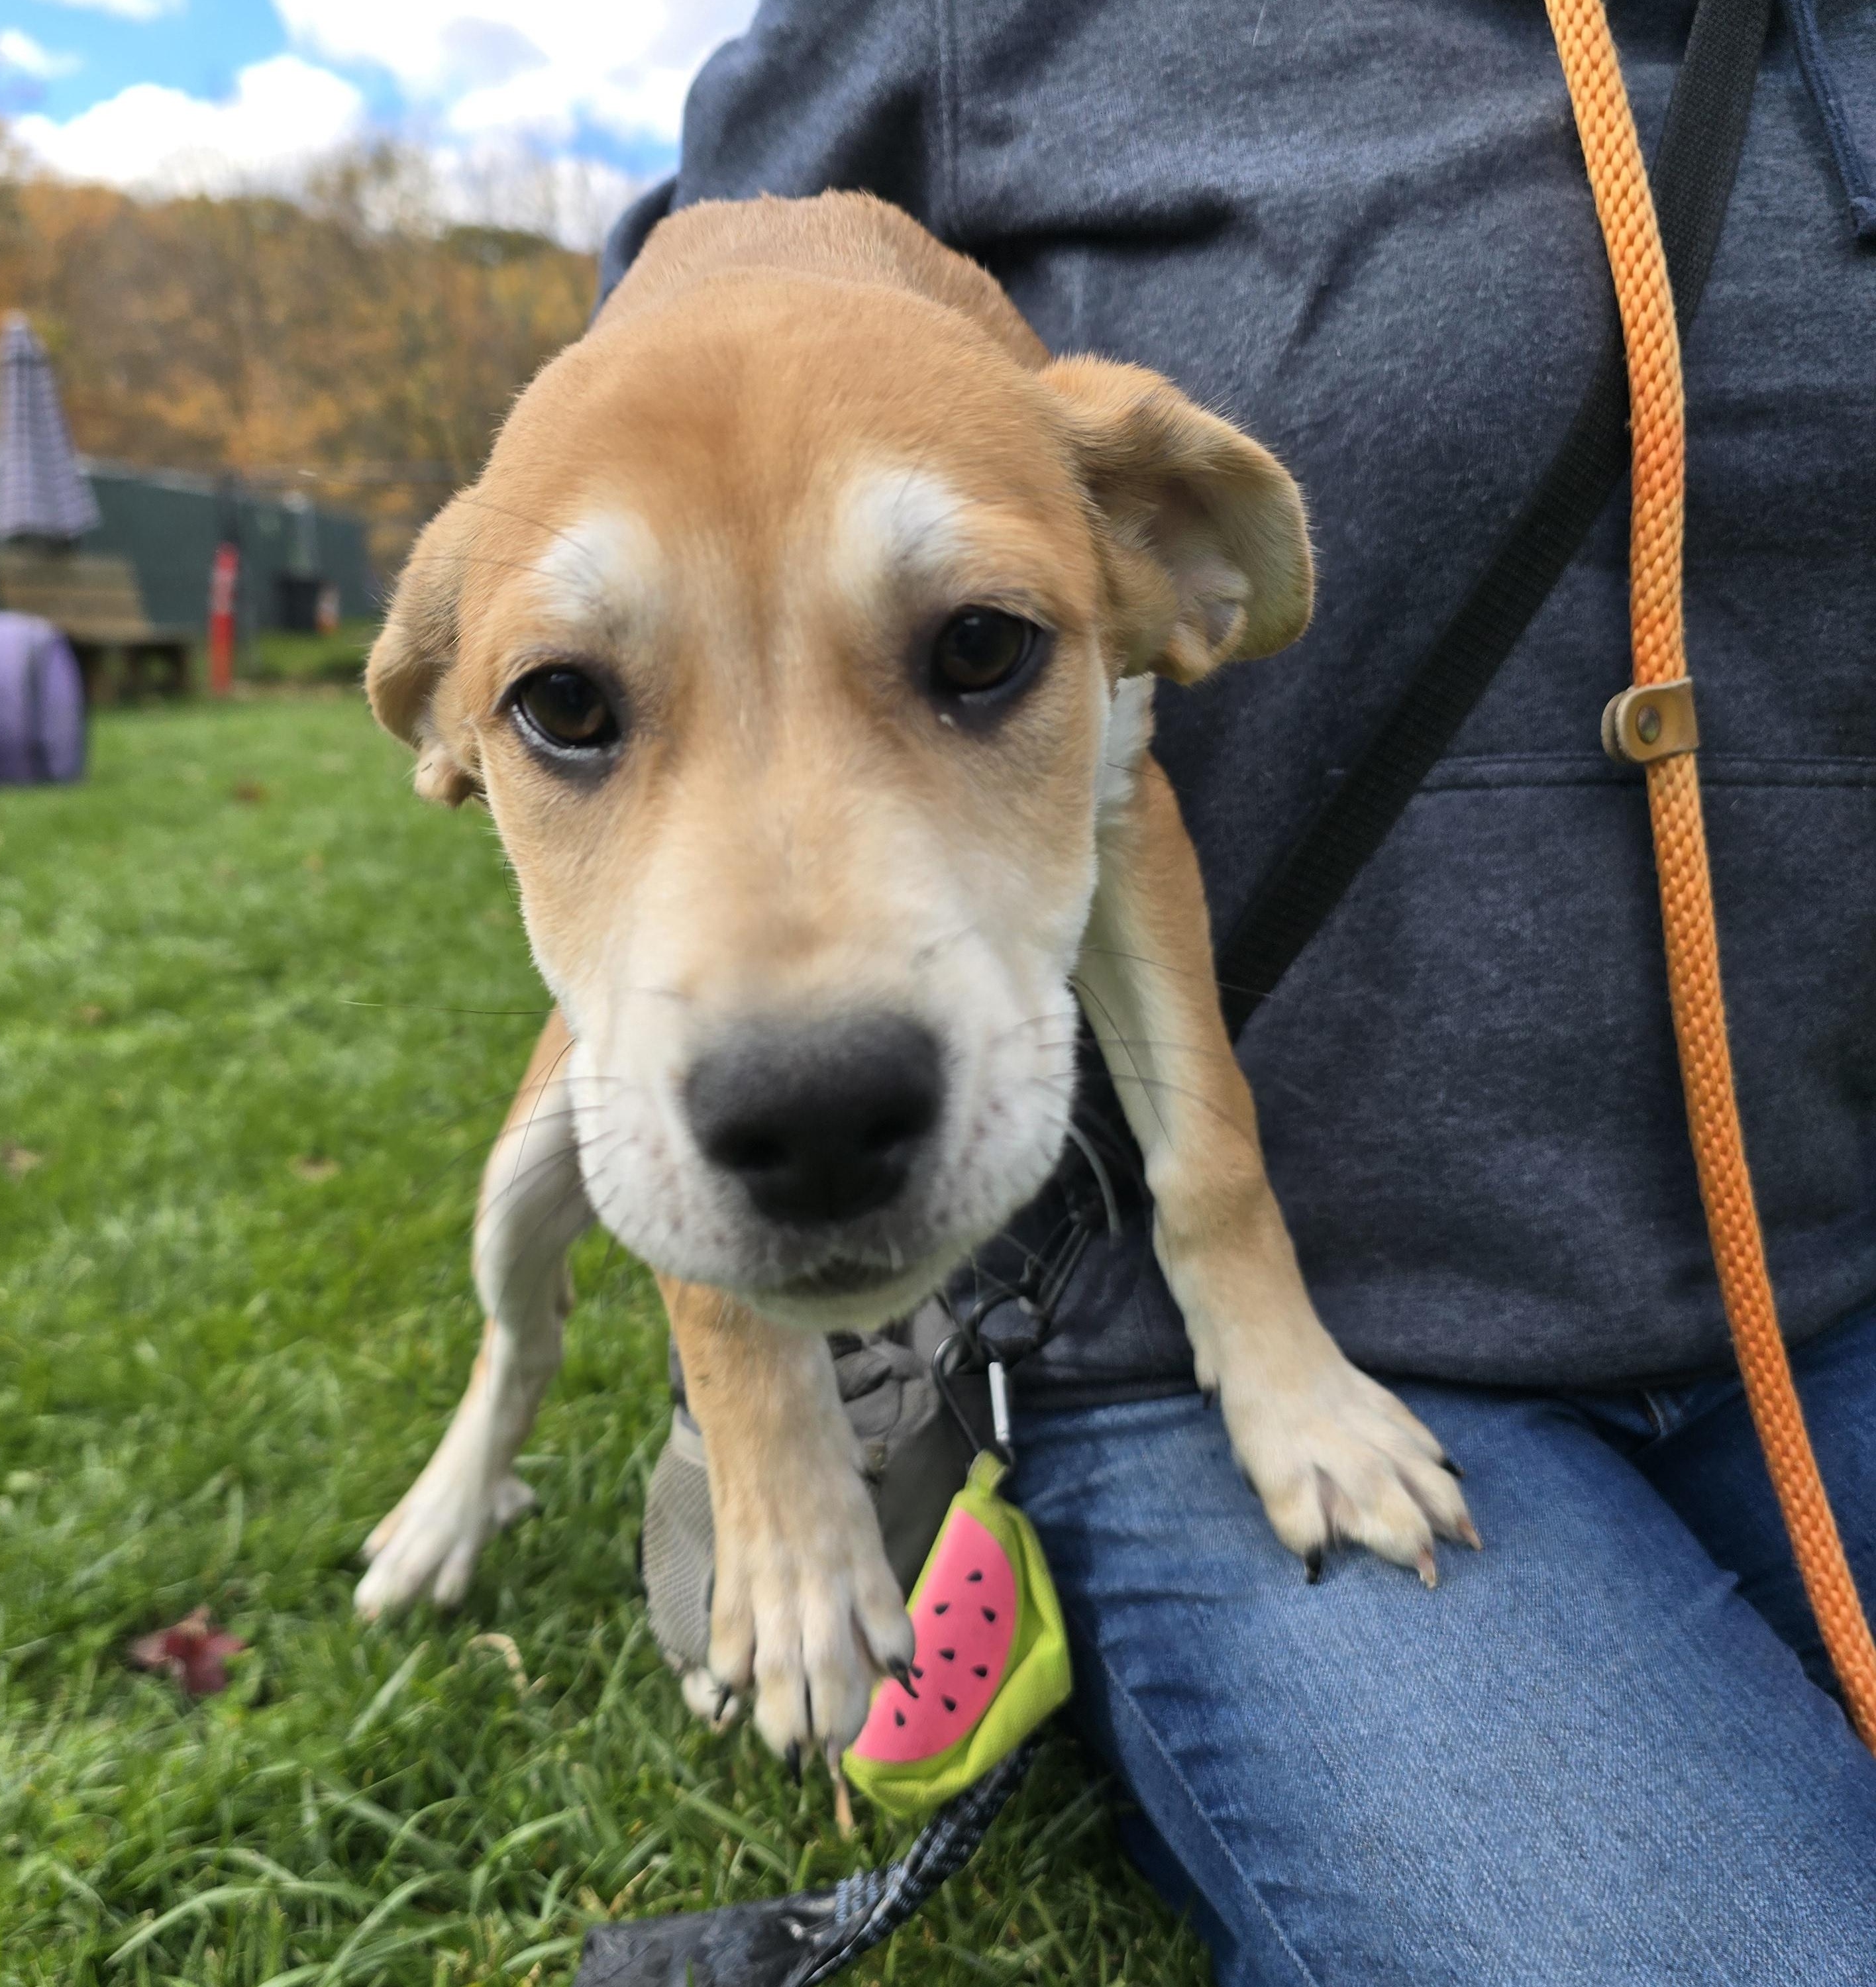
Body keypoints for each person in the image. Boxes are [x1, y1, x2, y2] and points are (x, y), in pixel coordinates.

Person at [601, 3, 1876, 1980]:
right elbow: (656, 515)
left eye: (975, 653)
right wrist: (751, 1393)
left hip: (1832, 1273)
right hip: (1217, 1361)